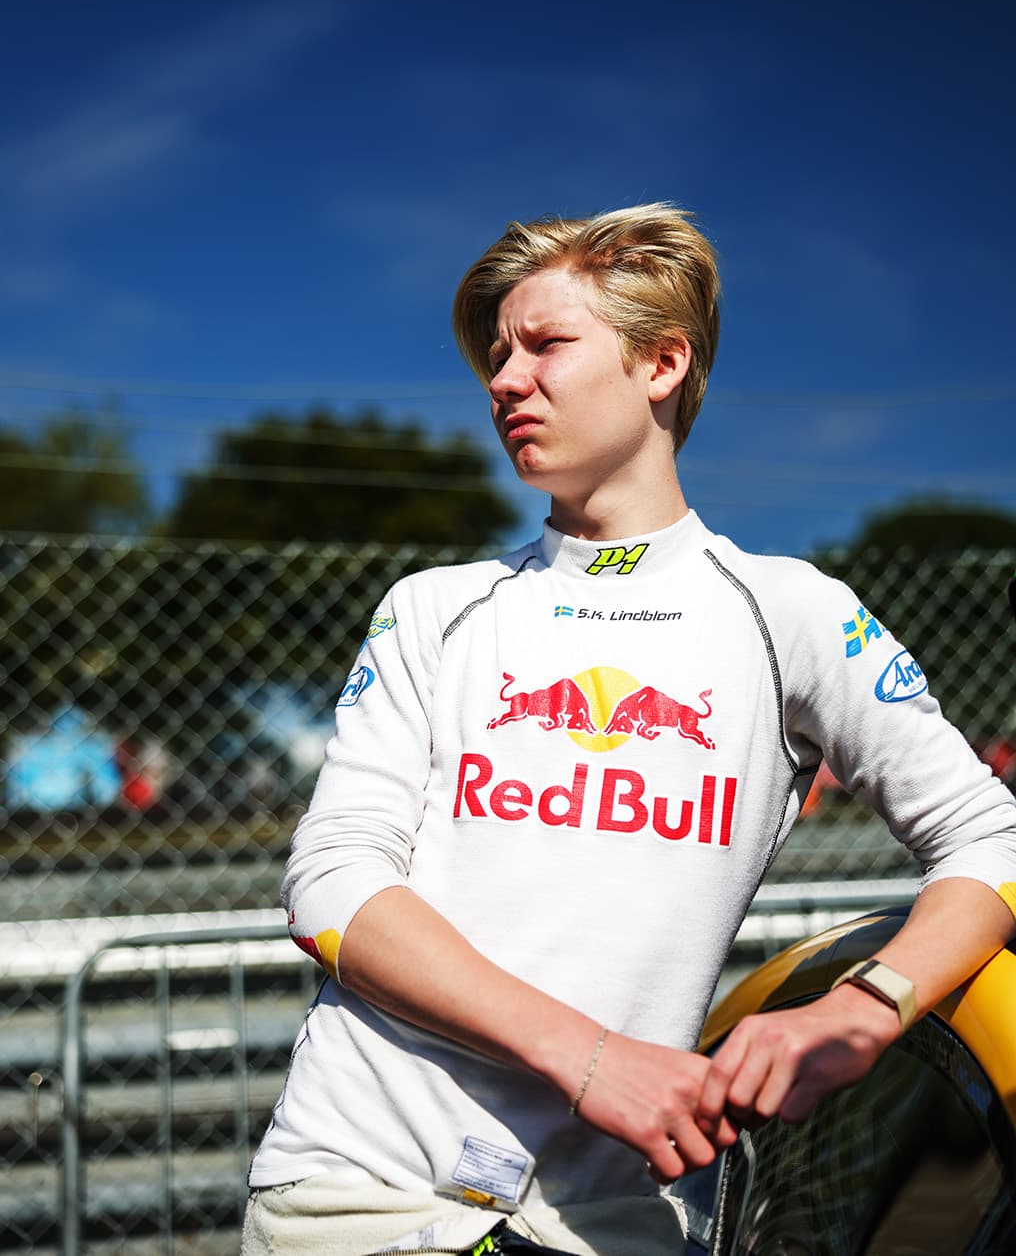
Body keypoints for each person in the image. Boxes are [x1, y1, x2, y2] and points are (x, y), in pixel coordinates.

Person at [243, 203, 1016, 1256]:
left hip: (617, 1219)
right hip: (360, 1190)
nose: (504, 380)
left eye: (545, 344)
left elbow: (989, 835)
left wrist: (865, 1006)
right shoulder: (434, 607)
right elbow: (331, 881)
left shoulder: (789, 611)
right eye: (497, 356)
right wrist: (589, 1056)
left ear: (661, 363)